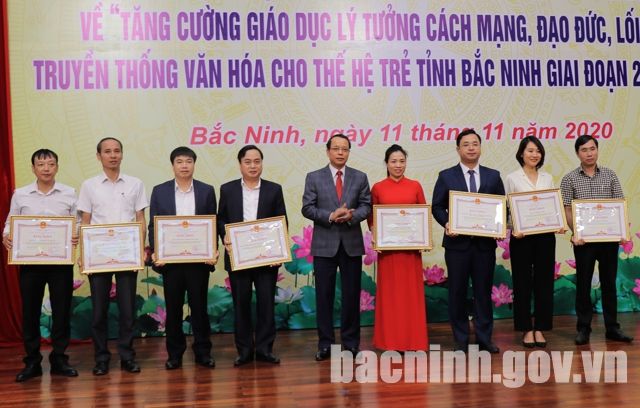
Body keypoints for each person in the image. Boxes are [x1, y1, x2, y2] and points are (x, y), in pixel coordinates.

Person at [2, 149, 79, 382]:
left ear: (57, 167)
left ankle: (59, 359)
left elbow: (76, 223)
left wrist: (75, 234)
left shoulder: (69, 193)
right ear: (33, 168)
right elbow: (10, 223)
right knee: (30, 312)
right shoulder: (21, 194)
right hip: (31, 263)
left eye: (51, 164)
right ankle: (32, 361)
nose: (46, 168)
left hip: (60, 263)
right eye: (41, 164)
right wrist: (6, 236)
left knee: (62, 311)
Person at [77, 137, 148, 375]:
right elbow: (85, 222)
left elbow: (140, 218)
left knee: (128, 310)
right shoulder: (89, 185)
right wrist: (83, 254)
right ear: (99, 156)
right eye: (107, 151)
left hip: (128, 254)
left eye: (117, 151)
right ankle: (101, 359)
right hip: (98, 255)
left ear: (122, 154)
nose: (113, 155)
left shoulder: (136, 183)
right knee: (99, 311)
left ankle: (127, 356)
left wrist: (140, 248)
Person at [431, 128, 505, 353]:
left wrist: (499, 225)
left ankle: (484, 339)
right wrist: (447, 223)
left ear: (480, 148)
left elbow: (501, 206)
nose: (471, 148)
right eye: (466, 144)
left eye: (475, 144)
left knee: (483, 292)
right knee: (457, 292)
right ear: (458, 149)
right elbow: (437, 206)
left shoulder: (493, 176)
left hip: (484, 246)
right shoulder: (446, 176)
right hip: (457, 246)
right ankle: (460, 339)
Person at [302, 134, 371, 361]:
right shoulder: (314, 177)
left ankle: (351, 343)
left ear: (349, 152)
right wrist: (331, 216)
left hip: (351, 244)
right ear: (328, 151)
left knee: (351, 296)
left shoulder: (360, 177)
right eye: (336, 148)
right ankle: (325, 345)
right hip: (324, 245)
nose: (340, 152)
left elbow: (367, 206)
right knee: (324, 297)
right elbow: (307, 208)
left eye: (345, 149)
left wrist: (351, 216)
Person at [148, 146, 218, 370]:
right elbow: (153, 225)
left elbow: (212, 223)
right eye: (179, 161)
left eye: (188, 161)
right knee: (174, 309)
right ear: (173, 165)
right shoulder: (160, 191)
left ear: (194, 164)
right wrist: (157, 252)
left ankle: (203, 353)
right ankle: (174, 354)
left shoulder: (206, 190)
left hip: (198, 262)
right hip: (172, 262)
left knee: (199, 309)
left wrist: (212, 251)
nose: (184, 165)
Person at [560, 135, 633, 345]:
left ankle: (612, 328)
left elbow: (619, 205)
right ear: (577, 153)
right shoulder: (569, 179)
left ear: (597, 150)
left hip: (609, 241)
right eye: (584, 150)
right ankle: (583, 329)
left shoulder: (610, 175)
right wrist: (577, 232)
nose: (589, 153)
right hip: (584, 242)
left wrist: (621, 231)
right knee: (583, 284)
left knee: (609, 283)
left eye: (592, 149)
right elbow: (567, 209)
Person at [218, 145, 287, 366]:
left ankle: (265, 349)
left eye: (257, 161)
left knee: (266, 304)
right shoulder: (227, 189)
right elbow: (221, 219)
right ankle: (245, 350)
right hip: (238, 257)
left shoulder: (273, 189)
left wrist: (279, 251)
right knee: (242, 305)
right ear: (240, 164)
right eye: (248, 162)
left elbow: (281, 221)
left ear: (262, 163)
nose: (253, 166)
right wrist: (224, 235)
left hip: (266, 258)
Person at [368, 144, 428, 351]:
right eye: (393, 161)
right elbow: (371, 217)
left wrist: (423, 238)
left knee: (411, 295)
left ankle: (414, 341)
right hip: (388, 253)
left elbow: (423, 214)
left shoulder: (415, 186)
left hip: (410, 252)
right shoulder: (378, 188)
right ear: (386, 163)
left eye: (402, 161)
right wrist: (375, 234)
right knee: (390, 296)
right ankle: (389, 342)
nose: (398, 165)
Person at [504, 136, 559, 348]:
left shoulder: (548, 178)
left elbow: (552, 207)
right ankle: (526, 329)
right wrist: (513, 227)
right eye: (530, 150)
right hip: (522, 238)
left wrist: (558, 222)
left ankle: (541, 328)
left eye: (538, 151)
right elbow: (507, 210)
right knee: (522, 283)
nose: (534, 154)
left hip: (545, 237)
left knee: (544, 283)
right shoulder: (512, 178)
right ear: (521, 154)